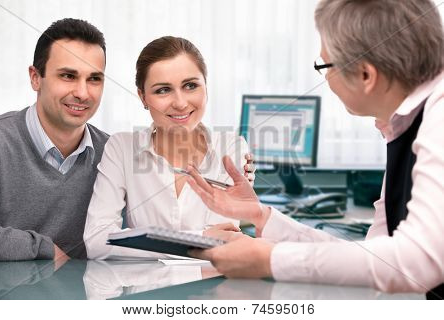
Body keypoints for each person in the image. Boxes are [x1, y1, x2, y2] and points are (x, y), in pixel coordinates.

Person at [187, 0, 444, 299]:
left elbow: (417, 261)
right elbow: (377, 257)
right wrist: (261, 216)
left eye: (324, 66)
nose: (325, 79)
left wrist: (269, 260)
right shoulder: (404, 124)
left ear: (365, 75)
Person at [83, 36, 253, 259]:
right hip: (145, 292)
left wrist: (144, 244)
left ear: (206, 87)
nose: (180, 103)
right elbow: (96, 242)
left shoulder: (231, 148)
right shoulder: (122, 148)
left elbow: (222, 246)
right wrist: (201, 236)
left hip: (209, 290)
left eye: (190, 85)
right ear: (142, 97)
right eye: (163, 90)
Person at [0, 18, 109, 261]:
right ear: (36, 78)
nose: (82, 93)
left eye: (94, 79)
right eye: (68, 76)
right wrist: (43, 249)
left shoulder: (111, 154)